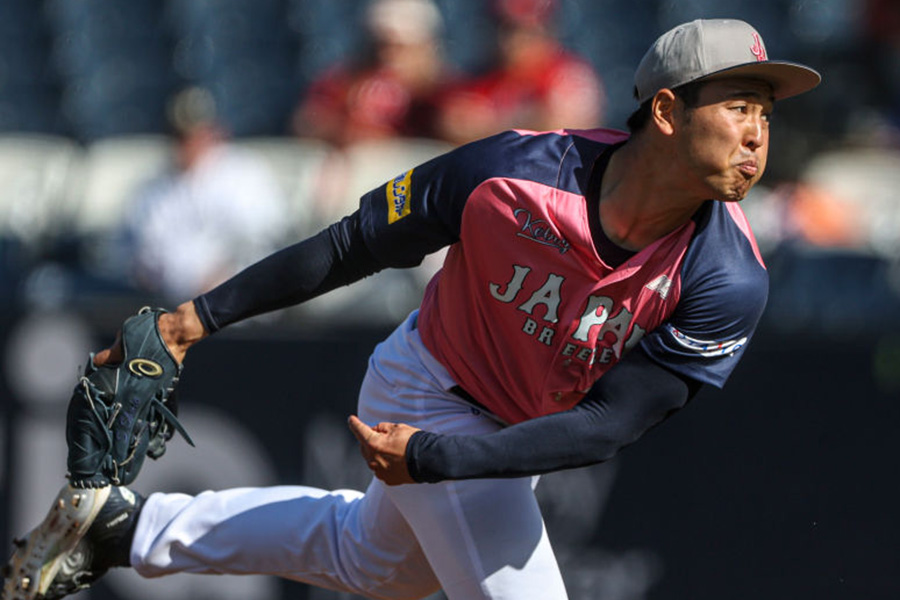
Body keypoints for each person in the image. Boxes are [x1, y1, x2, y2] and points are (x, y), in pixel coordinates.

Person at [3, 19, 820, 600]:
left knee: (372, 565)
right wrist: (193, 320)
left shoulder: (726, 276)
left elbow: (609, 424)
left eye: (765, 113)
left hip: (511, 433)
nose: (757, 134)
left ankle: (123, 530)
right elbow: (352, 243)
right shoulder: (513, 173)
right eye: (738, 104)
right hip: (432, 385)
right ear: (670, 112)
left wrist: (438, 461)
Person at [123, 86, 289, 301]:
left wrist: (223, 277)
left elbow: (267, 241)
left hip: (237, 307)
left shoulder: (244, 174)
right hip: (168, 308)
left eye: (194, 134)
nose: (187, 144)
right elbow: (137, 253)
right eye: (179, 135)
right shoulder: (154, 187)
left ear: (214, 131)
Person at [436, 0, 605, 145]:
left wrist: (491, 126)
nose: (510, 41)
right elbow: (452, 123)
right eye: (503, 28)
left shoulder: (567, 74)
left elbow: (567, 129)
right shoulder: (487, 76)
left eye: (522, 30)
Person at [291, 0, 456, 146]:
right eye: (380, 46)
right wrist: (342, 127)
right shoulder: (345, 83)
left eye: (400, 48)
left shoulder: (445, 90)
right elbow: (306, 123)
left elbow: (465, 128)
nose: (388, 56)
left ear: (425, 48)